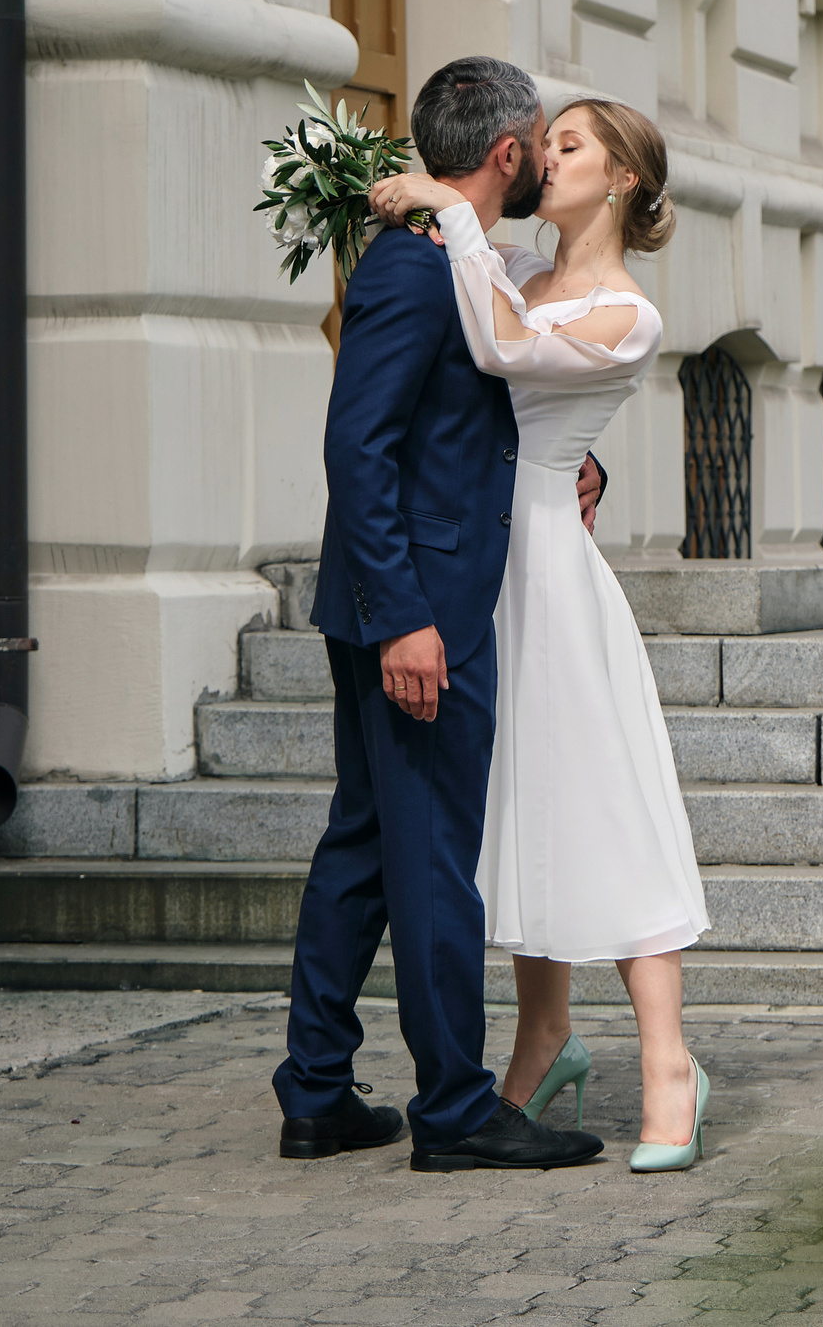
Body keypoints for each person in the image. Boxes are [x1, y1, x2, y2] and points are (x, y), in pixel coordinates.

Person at [272, 57, 606, 1174]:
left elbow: (467, 417)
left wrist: (565, 464)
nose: (544, 162)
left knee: (369, 843)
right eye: (542, 145)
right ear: (507, 153)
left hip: (408, 592)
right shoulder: (413, 272)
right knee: (428, 858)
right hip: (414, 607)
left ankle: (317, 1090)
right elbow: (355, 449)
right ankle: (457, 1109)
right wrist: (404, 616)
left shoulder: (456, 264)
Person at [371, 98, 713, 1172]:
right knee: (515, 814)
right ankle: (542, 1038)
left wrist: (448, 211)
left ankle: (670, 1066)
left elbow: (504, 351)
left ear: (619, 179)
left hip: (555, 581)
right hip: (481, 569)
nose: (544, 159)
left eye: (568, 146)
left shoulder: (626, 310)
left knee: (600, 806)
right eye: (548, 140)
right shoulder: (519, 266)